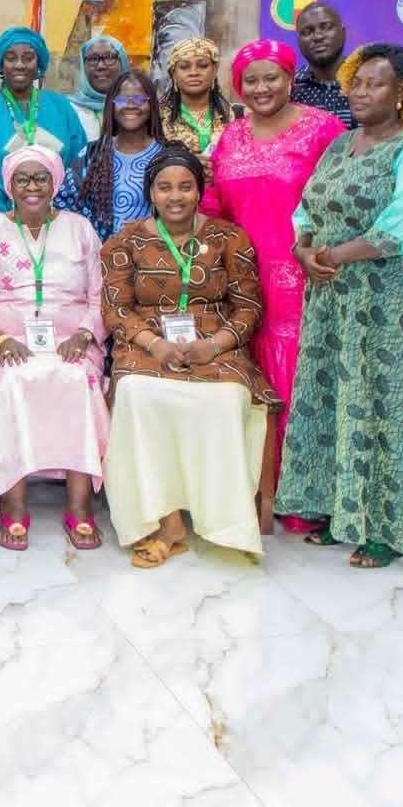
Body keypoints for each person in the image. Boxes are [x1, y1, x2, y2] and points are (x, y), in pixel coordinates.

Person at [276, 44, 403, 567]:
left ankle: (388, 527)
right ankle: (340, 511)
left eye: (374, 84)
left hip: (388, 298)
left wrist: (330, 254)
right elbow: (307, 205)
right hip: (332, 297)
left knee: (385, 403)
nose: (359, 92)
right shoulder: (340, 144)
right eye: (356, 83)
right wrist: (303, 248)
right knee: (333, 397)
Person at [100, 146, 279, 567]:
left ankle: (227, 523)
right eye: (164, 188)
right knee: (138, 397)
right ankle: (165, 523)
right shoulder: (124, 242)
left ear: (200, 191)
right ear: (151, 193)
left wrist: (211, 345)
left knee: (224, 400)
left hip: (216, 344)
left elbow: (249, 307)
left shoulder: (229, 237)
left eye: (185, 187)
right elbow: (116, 309)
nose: (175, 196)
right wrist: (156, 345)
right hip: (146, 344)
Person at [202, 39, 345, 531]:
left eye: (272, 77)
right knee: (249, 378)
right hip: (240, 274)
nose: (261, 88)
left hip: (303, 273)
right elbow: (214, 205)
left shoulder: (323, 129)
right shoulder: (230, 137)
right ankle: (255, 487)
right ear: (238, 86)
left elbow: (342, 201)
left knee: (300, 378)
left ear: (289, 78)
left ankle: (304, 495)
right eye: (251, 80)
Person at [0, 144, 110, 550]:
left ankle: (78, 505)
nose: (32, 186)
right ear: (9, 185)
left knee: (79, 381)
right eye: (22, 178)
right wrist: (0, 339)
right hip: (6, 342)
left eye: (40, 177)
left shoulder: (80, 228)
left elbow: (100, 299)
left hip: (73, 341)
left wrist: (85, 333)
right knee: (14, 381)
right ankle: (14, 502)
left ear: (54, 182)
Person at [0, 26, 89, 217]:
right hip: (0, 220)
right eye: (10, 58)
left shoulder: (61, 107)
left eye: (28, 58)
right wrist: (0, 220)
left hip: (57, 219)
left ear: (38, 63)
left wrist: (60, 217)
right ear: (0, 65)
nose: (19, 65)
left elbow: (80, 165)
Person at [58, 69, 164, 241]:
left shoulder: (165, 156)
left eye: (139, 99)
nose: (130, 105)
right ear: (111, 105)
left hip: (154, 259)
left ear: (151, 105)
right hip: (98, 258)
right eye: (122, 99)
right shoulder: (91, 155)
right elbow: (65, 205)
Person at [158, 35, 235, 163]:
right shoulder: (157, 116)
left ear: (214, 70)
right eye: (184, 67)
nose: (193, 72)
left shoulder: (236, 115)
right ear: (173, 73)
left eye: (203, 65)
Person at [290, 2, 352, 126]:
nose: (318, 36)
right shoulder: (290, 88)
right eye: (307, 32)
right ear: (299, 41)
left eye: (326, 27)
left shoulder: (365, 81)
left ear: (343, 33)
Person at [68, 34, 130, 140]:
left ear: (123, 63)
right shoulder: (68, 110)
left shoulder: (135, 107)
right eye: (93, 59)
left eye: (109, 57)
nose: (101, 66)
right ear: (83, 66)